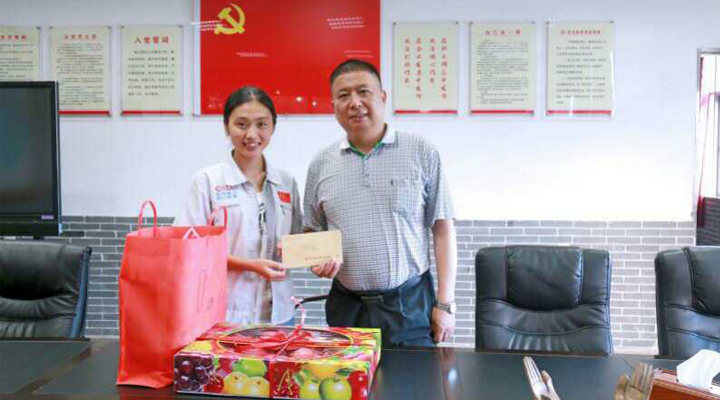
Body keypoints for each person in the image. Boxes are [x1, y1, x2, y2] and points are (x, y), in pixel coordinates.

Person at [304, 59, 458, 347]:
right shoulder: (321, 164)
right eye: (344, 95)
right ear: (334, 105)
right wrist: (316, 258)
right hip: (346, 308)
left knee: (413, 376)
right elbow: (312, 230)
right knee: (346, 377)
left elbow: (443, 229)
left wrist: (445, 303)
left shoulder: (421, 151)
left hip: (408, 306)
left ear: (383, 97)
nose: (355, 103)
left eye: (364, 92)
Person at [176, 86, 301, 326]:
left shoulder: (286, 182)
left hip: (280, 314)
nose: (252, 134)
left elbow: (296, 238)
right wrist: (249, 266)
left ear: (273, 127)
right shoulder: (207, 181)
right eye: (241, 124)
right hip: (224, 313)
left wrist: (319, 255)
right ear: (226, 127)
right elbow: (188, 250)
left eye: (262, 124)